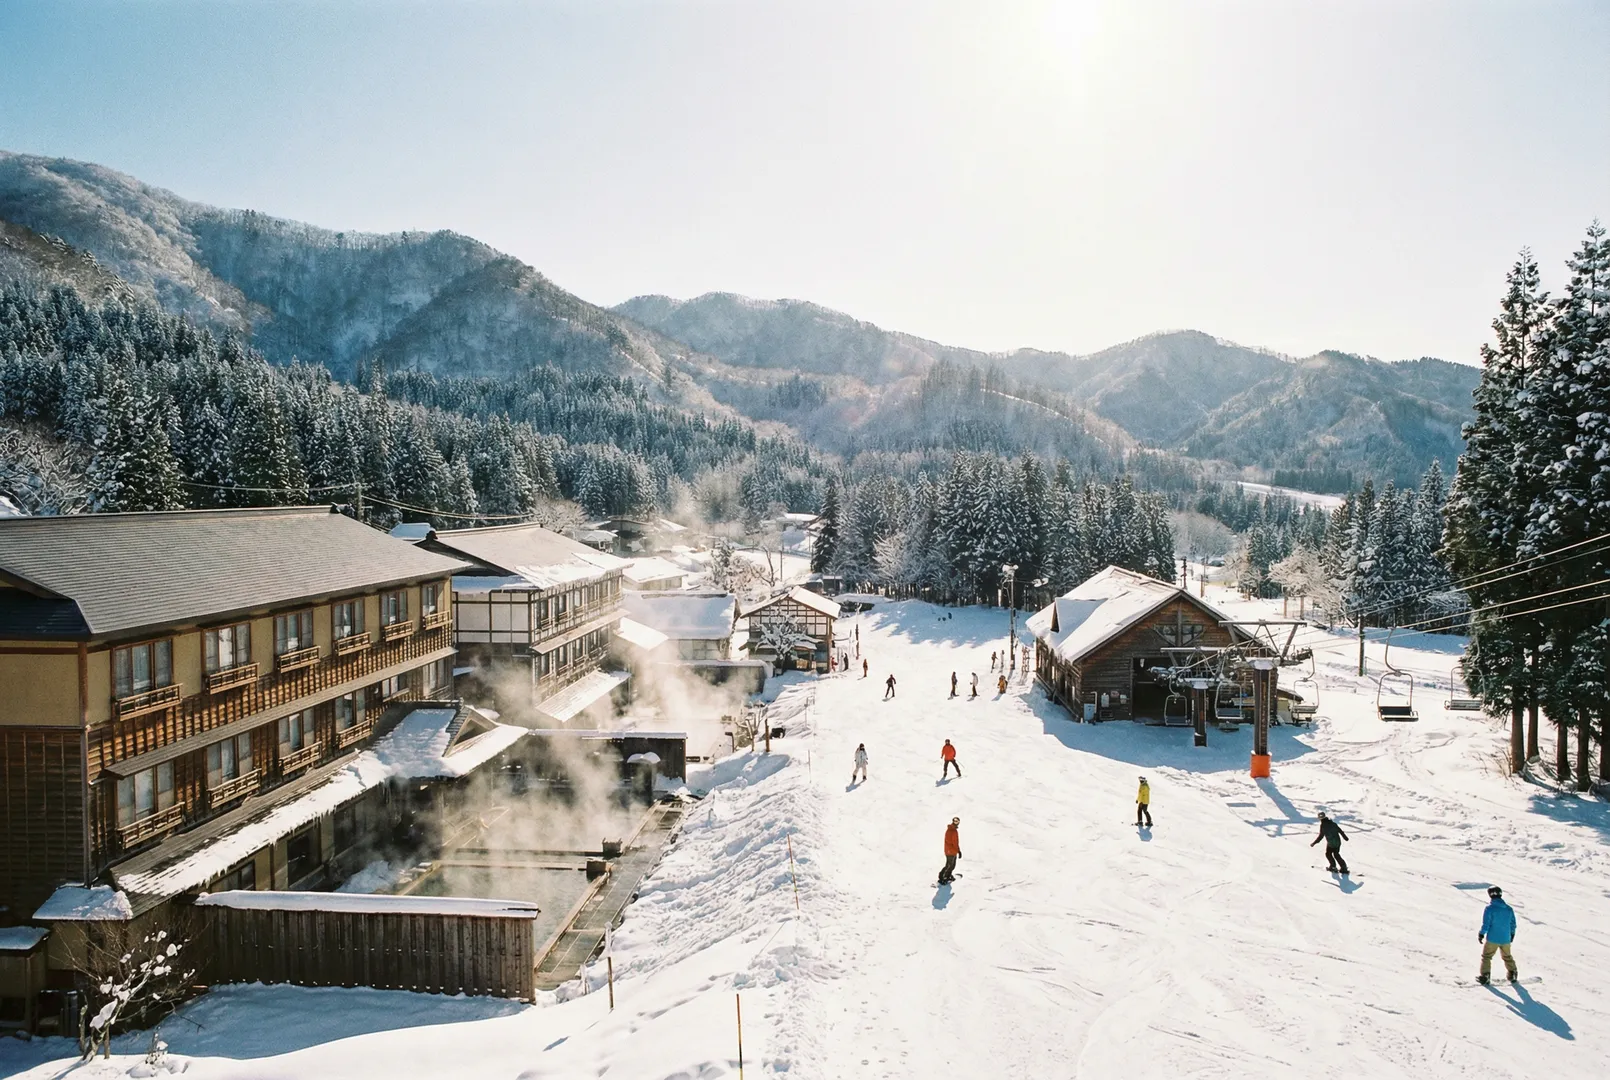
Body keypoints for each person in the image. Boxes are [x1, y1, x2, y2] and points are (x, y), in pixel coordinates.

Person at [1478, 886, 1519, 985]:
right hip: (1506, 938)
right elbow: (1512, 923)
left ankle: (1485, 976)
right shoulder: (1509, 909)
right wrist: (1512, 934)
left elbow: (1486, 923)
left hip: (1493, 938)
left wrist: (1481, 933)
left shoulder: (1490, 908)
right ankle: (1512, 973)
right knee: (1507, 956)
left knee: (1487, 956)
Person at [938, 816, 961, 885]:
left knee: (952, 865)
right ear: (953, 821)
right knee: (949, 865)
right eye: (955, 821)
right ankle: (942, 877)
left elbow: (955, 843)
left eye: (957, 821)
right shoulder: (951, 831)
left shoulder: (953, 830)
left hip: (952, 851)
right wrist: (958, 851)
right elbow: (953, 842)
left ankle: (948, 876)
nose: (956, 823)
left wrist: (957, 850)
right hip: (950, 851)